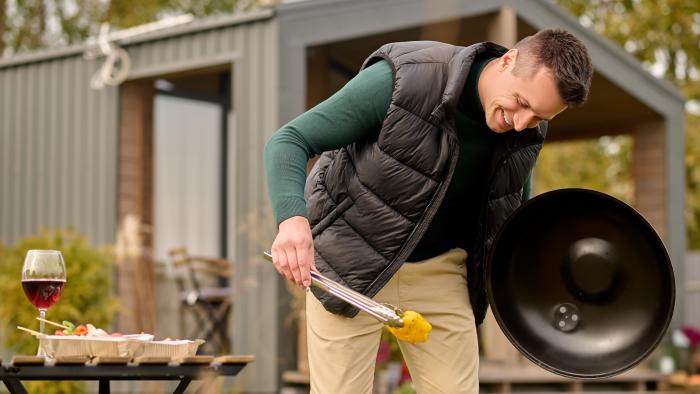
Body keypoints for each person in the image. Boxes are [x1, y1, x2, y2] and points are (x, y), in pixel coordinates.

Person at [264, 28, 593, 393]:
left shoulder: (527, 131)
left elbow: (512, 209)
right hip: (351, 265)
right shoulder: (407, 78)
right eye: (521, 102)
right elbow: (290, 140)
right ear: (507, 60)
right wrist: (292, 220)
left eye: (538, 117)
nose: (520, 123)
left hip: (442, 273)